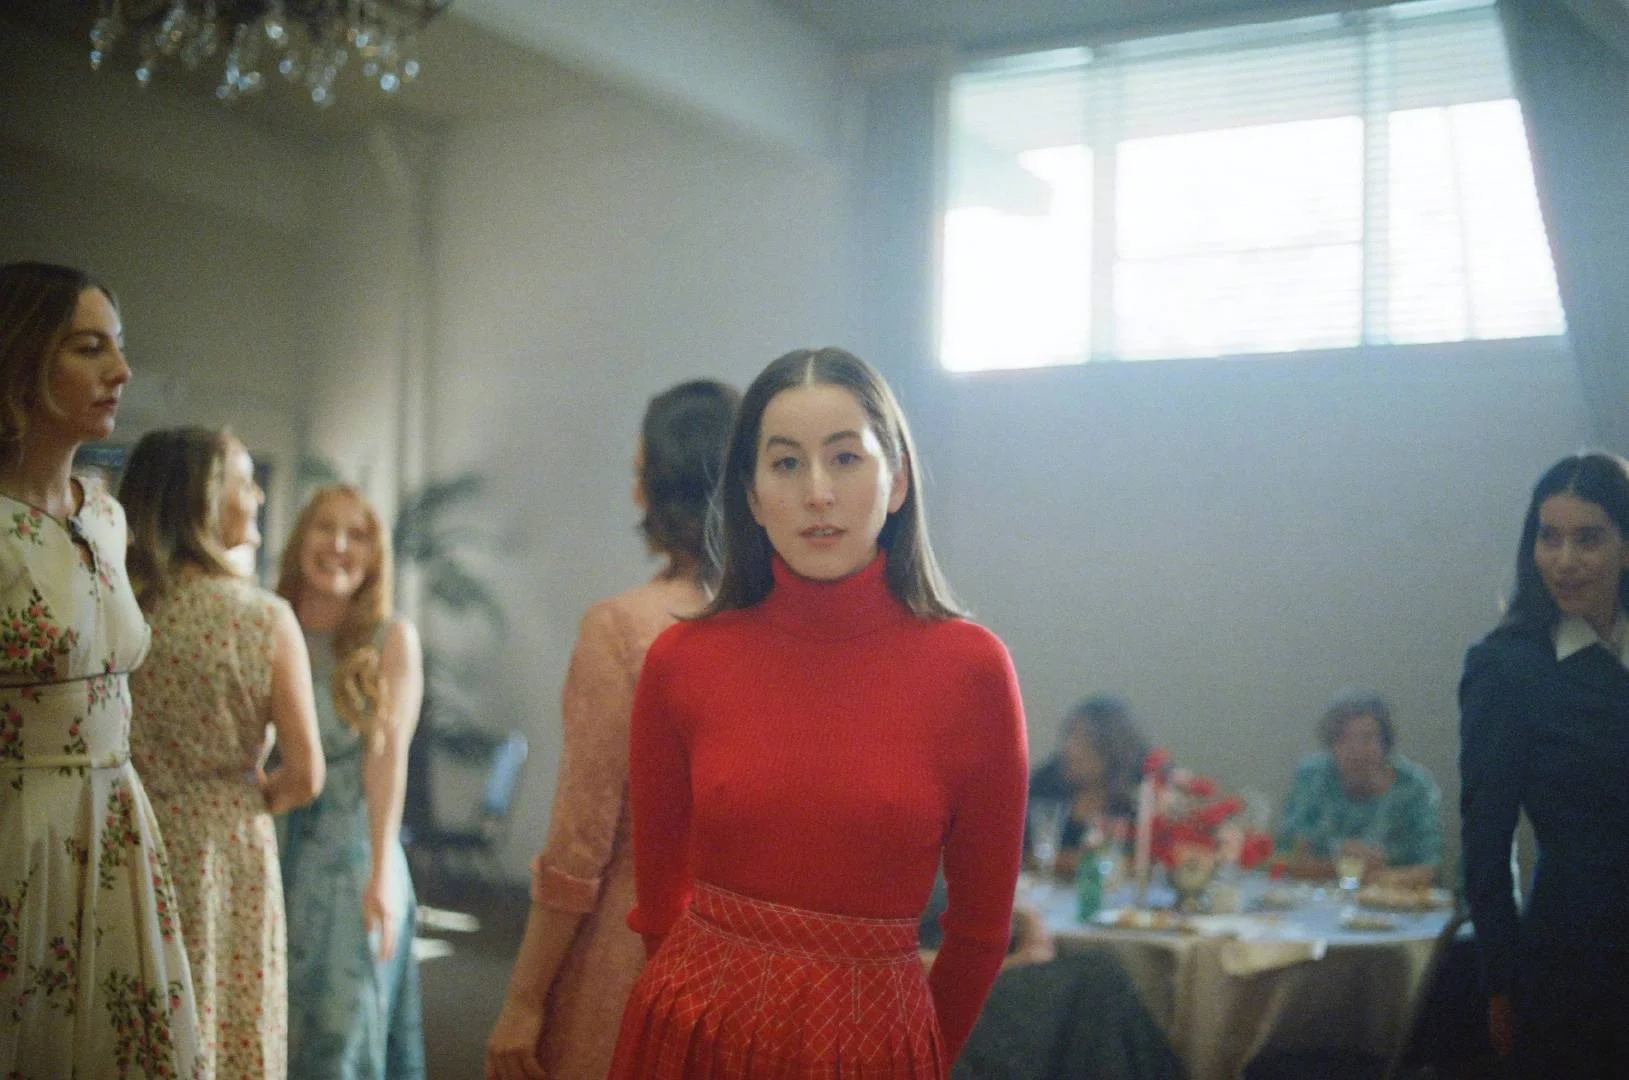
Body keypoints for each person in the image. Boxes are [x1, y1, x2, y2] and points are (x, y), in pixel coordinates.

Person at [607, 347, 1029, 1078]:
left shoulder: (972, 670)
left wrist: (914, 1056)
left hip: (875, 1048)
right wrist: (702, 1014)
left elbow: (979, 933)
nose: (818, 493)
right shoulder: (682, 660)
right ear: (750, 494)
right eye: (785, 463)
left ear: (897, 481)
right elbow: (658, 905)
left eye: (845, 458)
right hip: (694, 1034)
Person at [485, 378, 740, 1080]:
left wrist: (523, 999)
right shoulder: (778, 628)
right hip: (748, 963)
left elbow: (580, 843)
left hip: (632, 948)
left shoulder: (624, 628)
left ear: (661, 487)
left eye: (639, 472)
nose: (632, 493)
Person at [0, 261, 200, 1076]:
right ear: (21, 359)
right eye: (89, 348)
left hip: (115, 822)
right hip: (19, 832)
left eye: (117, 347)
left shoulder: (106, 517)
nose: (121, 371)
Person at [124, 426, 325, 1080]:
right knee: (227, 1016)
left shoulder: (118, 606)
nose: (259, 495)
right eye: (245, 481)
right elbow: (306, 773)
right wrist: (242, 795)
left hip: (126, 833)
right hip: (227, 845)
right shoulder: (263, 618)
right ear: (204, 500)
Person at [1460, 452, 1629, 1078]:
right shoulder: (1508, 668)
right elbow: (1486, 839)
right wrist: (1500, 981)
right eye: (1549, 537)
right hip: (1575, 956)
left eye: (1588, 539)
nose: (1564, 559)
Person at [277, 484, 426, 1079]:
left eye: (357, 534)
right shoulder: (269, 622)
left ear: (375, 554)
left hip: (352, 857)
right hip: (272, 850)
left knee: (342, 1035)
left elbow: (388, 760)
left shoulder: (391, 640)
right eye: (325, 528)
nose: (339, 545)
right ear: (301, 538)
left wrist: (381, 872)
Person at [1273, 690, 1441, 887]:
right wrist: (1339, 861)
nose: (1356, 750)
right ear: (1331, 745)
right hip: (1315, 897)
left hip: (1391, 898)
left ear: (1385, 743)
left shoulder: (1415, 787)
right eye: (1344, 739)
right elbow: (1283, 856)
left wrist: (1372, 877)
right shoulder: (1311, 777)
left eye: (1367, 738)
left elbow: (1429, 868)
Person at [1026, 695, 1148, 878]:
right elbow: (1023, 851)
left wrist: (1065, 860)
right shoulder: (1046, 781)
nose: (1070, 749)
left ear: (1112, 749)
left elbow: (1143, 860)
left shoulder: (1139, 792)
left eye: (1085, 741)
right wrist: (1092, 862)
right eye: (1069, 735)